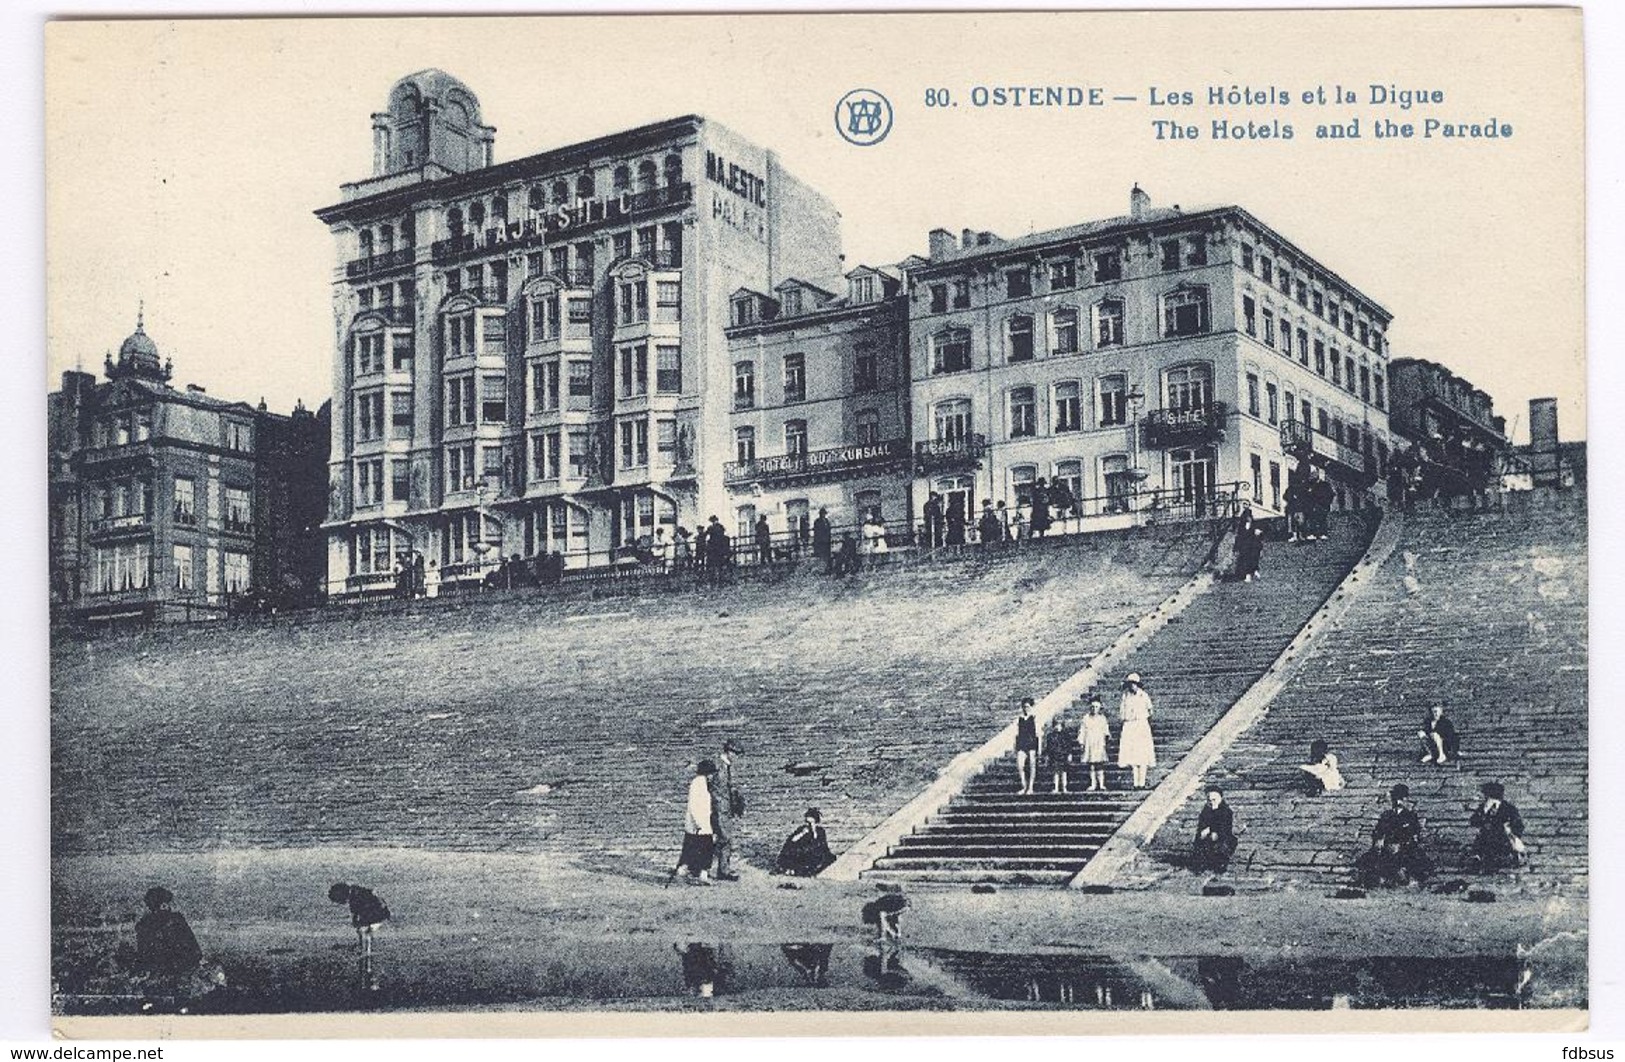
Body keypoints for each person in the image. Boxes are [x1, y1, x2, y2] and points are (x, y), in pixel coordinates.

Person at [1354, 784, 1433, 887]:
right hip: (1387, 846)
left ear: (1406, 799)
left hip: (1405, 847)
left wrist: (1401, 844)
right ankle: (1380, 878)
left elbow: (1414, 833)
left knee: (1415, 858)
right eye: (1395, 798)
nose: (1397, 802)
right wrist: (1379, 840)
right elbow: (1378, 831)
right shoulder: (1386, 815)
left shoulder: (1410, 816)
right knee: (1370, 859)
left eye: (1400, 798)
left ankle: (1406, 876)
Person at [134, 886, 202, 980]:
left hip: (171, 968)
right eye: (165, 904)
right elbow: (195, 951)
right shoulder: (175, 921)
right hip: (173, 969)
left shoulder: (145, 925)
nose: (167, 907)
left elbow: (194, 950)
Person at [1467, 781, 1527, 873]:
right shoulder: (1484, 808)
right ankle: (1478, 857)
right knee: (1481, 843)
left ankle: (1514, 856)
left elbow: (1518, 825)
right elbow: (1474, 821)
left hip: (1504, 837)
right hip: (1487, 836)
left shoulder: (1509, 808)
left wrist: (1512, 832)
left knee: (1511, 845)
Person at [676, 760, 718, 883]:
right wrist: (699, 824)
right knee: (704, 849)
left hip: (701, 824)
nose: (712, 777)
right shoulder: (698, 784)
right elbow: (694, 806)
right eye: (711, 774)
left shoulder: (702, 783)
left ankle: (689, 871)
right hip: (699, 824)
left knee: (693, 848)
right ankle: (700, 874)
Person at [710, 741, 744, 882]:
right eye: (735, 753)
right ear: (728, 751)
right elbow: (708, 786)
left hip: (727, 808)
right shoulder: (716, 765)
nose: (736, 757)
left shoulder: (727, 766)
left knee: (726, 840)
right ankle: (699, 865)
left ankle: (723, 870)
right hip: (718, 808)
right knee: (723, 838)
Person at [1117, 673, 1157, 789]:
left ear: (1138, 685)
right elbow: (1122, 713)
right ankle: (1136, 783)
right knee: (1133, 755)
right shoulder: (1125, 697)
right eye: (1130, 684)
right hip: (1130, 726)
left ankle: (1142, 782)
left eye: (1134, 684)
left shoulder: (1143, 696)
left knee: (1143, 755)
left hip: (1141, 726)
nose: (1132, 686)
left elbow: (1150, 710)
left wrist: (1144, 722)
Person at [328, 882, 390, 956]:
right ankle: (364, 946)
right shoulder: (355, 892)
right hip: (378, 912)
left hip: (377, 914)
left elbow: (356, 913)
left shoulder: (355, 897)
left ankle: (365, 949)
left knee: (363, 930)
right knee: (362, 928)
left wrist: (358, 922)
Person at [776, 807, 836, 877]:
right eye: (808, 823)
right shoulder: (802, 829)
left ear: (816, 822)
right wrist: (802, 833)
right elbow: (792, 841)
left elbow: (820, 844)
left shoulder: (820, 831)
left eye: (811, 823)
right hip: (803, 854)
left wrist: (814, 832)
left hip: (816, 854)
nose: (809, 825)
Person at [1191, 788, 1239, 872]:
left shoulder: (1226, 811)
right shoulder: (1205, 812)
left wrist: (1211, 829)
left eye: (1214, 800)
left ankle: (1220, 862)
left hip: (1222, 838)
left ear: (1221, 798)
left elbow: (1224, 828)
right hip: (1207, 838)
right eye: (1209, 800)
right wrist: (1202, 833)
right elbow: (1201, 825)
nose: (1212, 802)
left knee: (1220, 846)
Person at [1079, 696, 1112, 791]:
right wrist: (1082, 742)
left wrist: (1107, 736)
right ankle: (1093, 784)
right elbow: (1082, 731)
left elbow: (1105, 730)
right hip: (1089, 742)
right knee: (1092, 765)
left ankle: (1101, 784)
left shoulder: (1102, 718)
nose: (1094, 709)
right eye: (1092, 707)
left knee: (1100, 764)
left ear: (1099, 708)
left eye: (1096, 707)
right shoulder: (1086, 718)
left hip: (1099, 742)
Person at [1013, 697, 1041, 794]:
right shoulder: (1020, 719)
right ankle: (1024, 786)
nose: (1026, 709)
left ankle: (1031, 787)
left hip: (1031, 743)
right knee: (1020, 765)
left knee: (1032, 765)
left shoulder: (1034, 718)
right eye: (1024, 707)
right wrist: (1015, 747)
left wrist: (1039, 748)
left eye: (1028, 707)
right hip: (1022, 743)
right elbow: (1016, 734)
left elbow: (1038, 734)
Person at [1044, 712, 1076, 793]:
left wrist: (1069, 755)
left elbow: (1069, 746)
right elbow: (1048, 747)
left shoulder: (1066, 735)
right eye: (1056, 725)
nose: (1057, 727)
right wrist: (1047, 756)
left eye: (1059, 725)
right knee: (1055, 772)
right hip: (1054, 756)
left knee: (1064, 772)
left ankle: (1064, 787)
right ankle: (1056, 787)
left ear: (1062, 725)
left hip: (1063, 755)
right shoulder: (1050, 736)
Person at [812, 508, 833, 572]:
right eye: (822, 514)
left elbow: (829, 529)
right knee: (822, 555)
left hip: (827, 540)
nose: (823, 515)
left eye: (824, 514)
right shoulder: (817, 521)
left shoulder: (827, 521)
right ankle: (822, 569)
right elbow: (817, 532)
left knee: (827, 555)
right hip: (821, 541)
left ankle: (828, 568)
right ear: (820, 514)